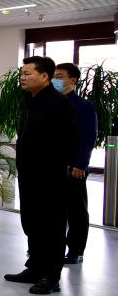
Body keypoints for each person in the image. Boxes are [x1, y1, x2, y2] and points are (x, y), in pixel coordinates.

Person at [5, 56, 78, 295]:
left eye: (28, 74)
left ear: (44, 76)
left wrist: (54, 165)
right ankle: (35, 268)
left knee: (51, 226)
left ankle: (51, 276)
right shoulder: (29, 100)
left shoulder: (58, 104)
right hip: (29, 174)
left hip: (50, 177)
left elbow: (70, 141)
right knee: (32, 222)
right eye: (22, 74)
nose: (23, 78)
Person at [53, 63, 97, 265]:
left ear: (73, 80)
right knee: (54, 209)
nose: (55, 80)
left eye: (60, 76)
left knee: (76, 209)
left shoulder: (83, 106)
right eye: (54, 76)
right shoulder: (51, 103)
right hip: (52, 165)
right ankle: (52, 247)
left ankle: (75, 250)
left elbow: (88, 138)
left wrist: (81, 164)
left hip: (73, 167)